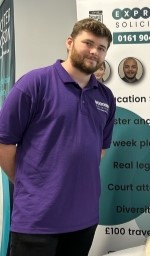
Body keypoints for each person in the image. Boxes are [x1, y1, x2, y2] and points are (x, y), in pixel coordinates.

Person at [0, 18, 116, 256]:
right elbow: (4, 142)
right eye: (88, 43)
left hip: (84, 219)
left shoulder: (105, 96)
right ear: (70, 42)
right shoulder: (35, 84)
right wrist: (28, 183)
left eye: (102, 48)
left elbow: (100, 150)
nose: (94, 51)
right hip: (37, 219)